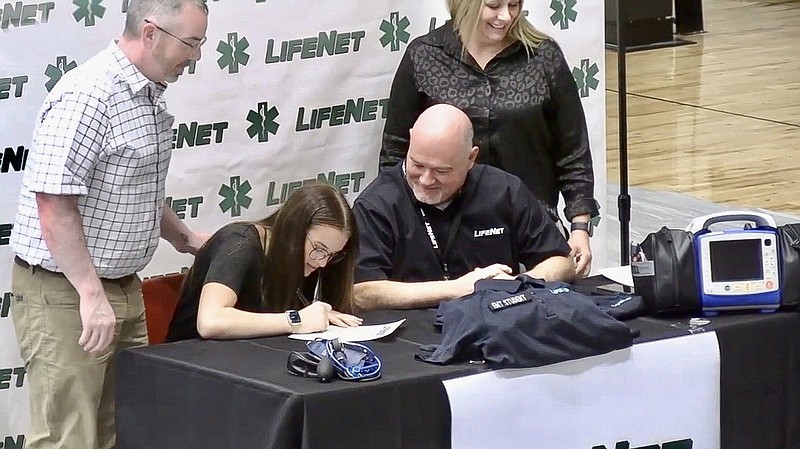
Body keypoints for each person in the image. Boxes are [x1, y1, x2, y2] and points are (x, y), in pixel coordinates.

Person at [9, 1, 209, 448]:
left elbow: (134, 188)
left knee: (121, 429)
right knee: (71, 436)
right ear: (152, 33)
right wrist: (90, 293)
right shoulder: (89, 95)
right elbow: (54, 203)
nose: (196, 56)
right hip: (69, 293)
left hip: (119, 287)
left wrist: (186, 239)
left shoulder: (147, 94)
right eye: (191, 43)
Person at [379, 0, 600, 277]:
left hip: (530, 231)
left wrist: (580, 227)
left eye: (514, 4)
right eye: (493, 5)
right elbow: (395, 153)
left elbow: (572, 151)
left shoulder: (543, 57)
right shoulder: (424, 56)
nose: (505, 16)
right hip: (443, 233)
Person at [354, 104, 576, 310]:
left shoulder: (504, 190)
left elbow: (561, 261)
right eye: (417, 165)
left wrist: (514, 286)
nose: (425, 180)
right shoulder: (377, 205)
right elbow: (362, 291)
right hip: (414, 332)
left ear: (471, 158)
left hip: (495, 322)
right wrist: (457, 289)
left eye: (441, 171)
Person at [167, 183, 363, 342]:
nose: (322, 263)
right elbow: (211, 322)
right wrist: (296, 319)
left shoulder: (307, 261)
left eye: (331, 255)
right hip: (190, 365)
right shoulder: (239, 242)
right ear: (293, 230)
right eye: (319, 249)